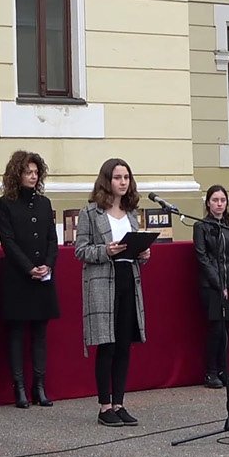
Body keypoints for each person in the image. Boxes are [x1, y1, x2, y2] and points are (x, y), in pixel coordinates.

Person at [75, 158, 151, 427]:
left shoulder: (131, 212)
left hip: (128, 278)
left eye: (126, 177)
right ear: (107, 180)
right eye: (118, 177)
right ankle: (104, 406)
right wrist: (106, 250)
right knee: (106, 344)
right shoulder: (90, 212)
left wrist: (143, 254)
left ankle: (119, 403)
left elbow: (134, 248)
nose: (123, 182)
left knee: (123, 345)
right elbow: (80, 250)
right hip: (103, 281)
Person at [0, 151, 60, 409]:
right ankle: (20, 387)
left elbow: (52, 239)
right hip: (18, 277)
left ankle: (39, 386)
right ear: (17, 175)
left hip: (43, 275)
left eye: (36, 172)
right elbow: (7, 240)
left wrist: (48, 264)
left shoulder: (44, 203)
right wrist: (28, 268)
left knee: (40, 333)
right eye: (28, 172)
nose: (33, 177)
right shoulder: (5, 203)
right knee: (17, 333)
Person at [192, 185, 229, 388]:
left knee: (227, 329)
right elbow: (202, 258)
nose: (219, 204)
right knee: (217, 327)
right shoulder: (201, 226)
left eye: (222, 200)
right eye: (215, 200)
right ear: (208, 203)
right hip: (211, 286)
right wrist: (219, 284)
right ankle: (211, 372)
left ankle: (224, 370)